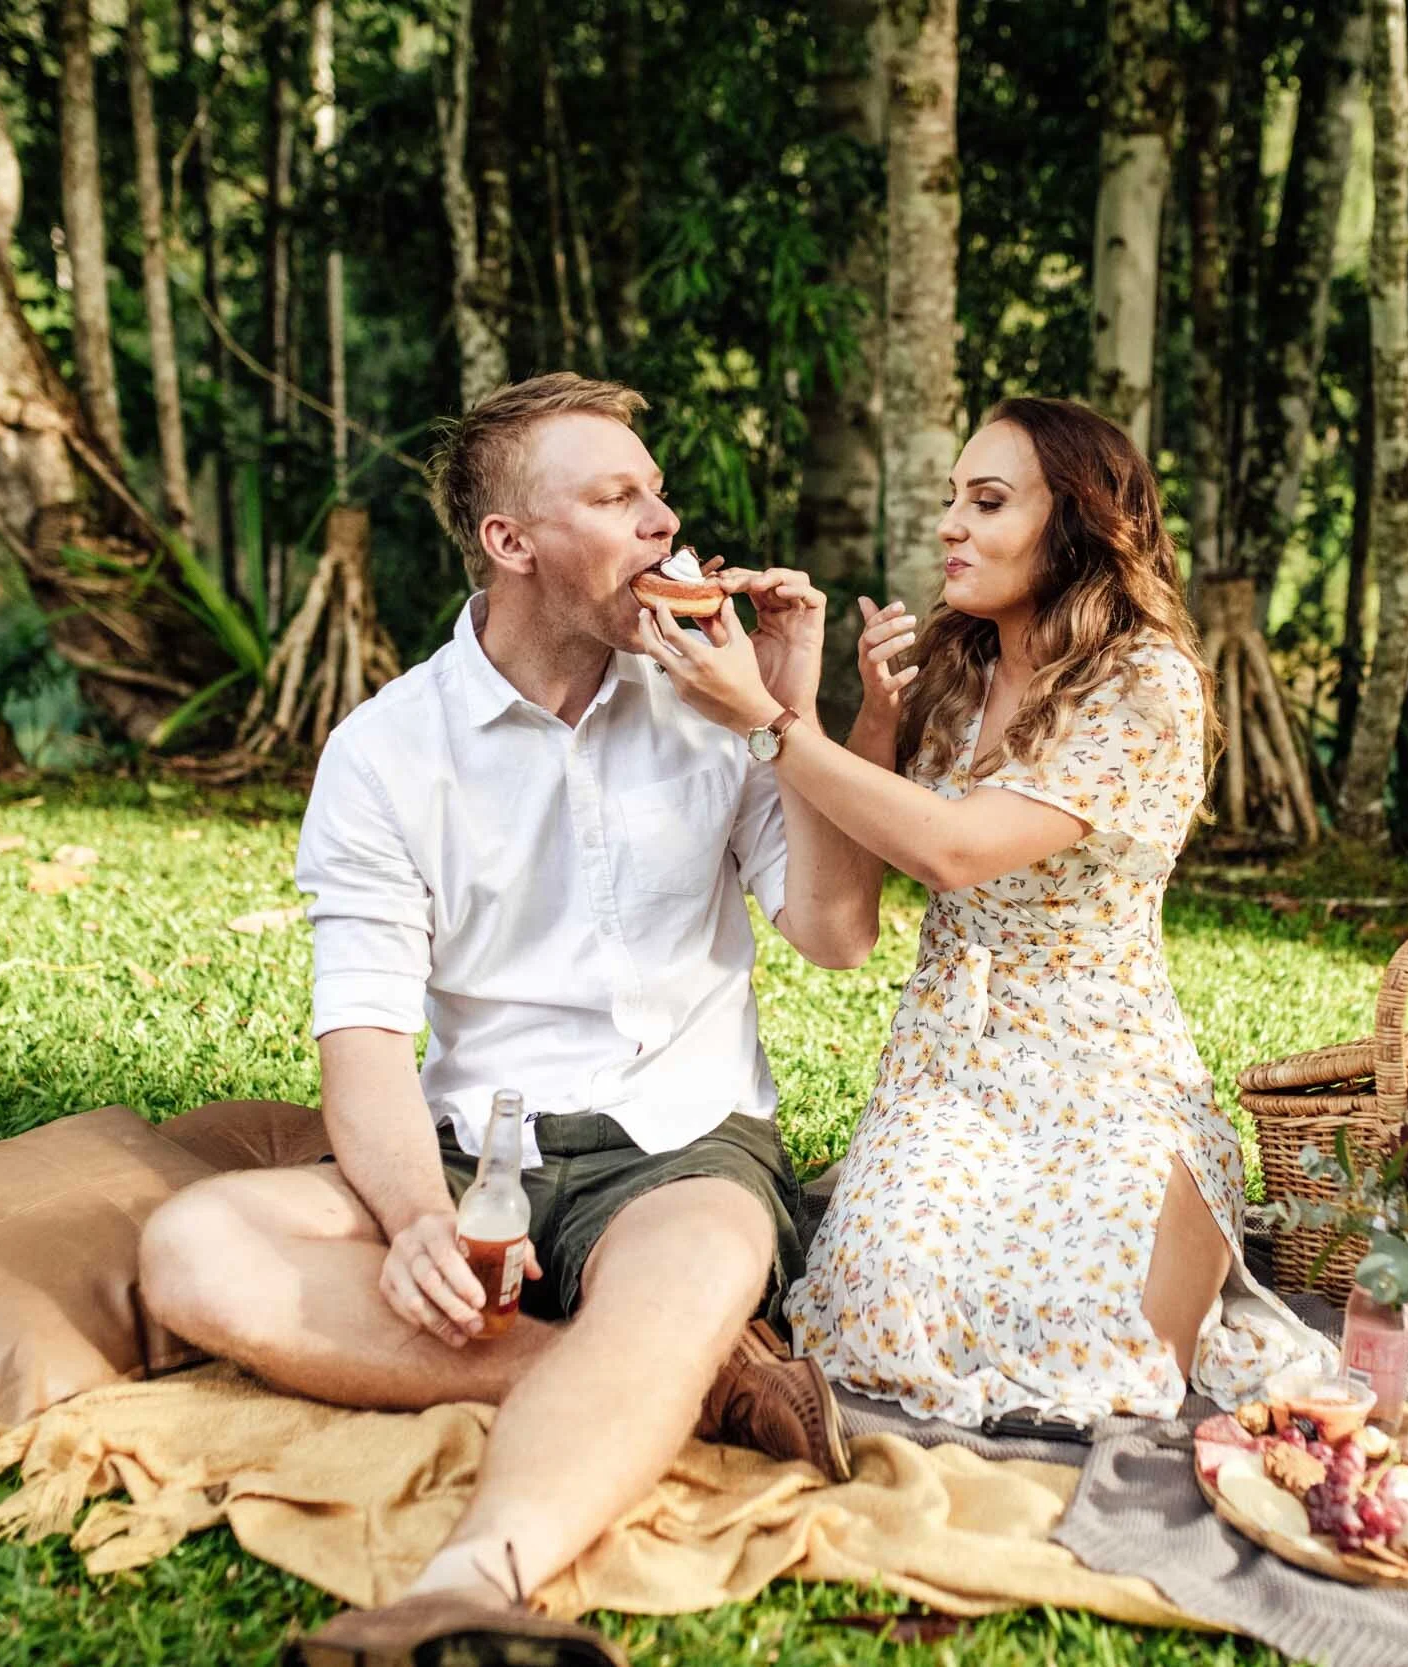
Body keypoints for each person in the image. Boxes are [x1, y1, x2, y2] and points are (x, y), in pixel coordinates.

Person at [137, 373, 886, 1667]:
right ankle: (681, 1378)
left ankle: (472, 1577)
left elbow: (837, 933)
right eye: (618, 497)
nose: (665, 522)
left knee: (697, 1262)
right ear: (511, 541)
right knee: (194, 1246)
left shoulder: (719, 708)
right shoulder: (385, 750)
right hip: (480, 1150)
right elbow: (364, 1042)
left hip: (683, 1144)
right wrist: (419, 1215)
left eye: (659, 494)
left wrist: (789, 715)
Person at [646, 396, 1326, 1431]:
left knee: (1103, 1345)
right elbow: (840, 916)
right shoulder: (955, 678)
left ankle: (1174, 1211)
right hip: (949, 1067)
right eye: (951, 499)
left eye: (988, 500)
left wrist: (762, 720)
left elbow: (955, 850)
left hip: (1105, 1069)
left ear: (1078, 521)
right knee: (876, 1309)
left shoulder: (1147, 682)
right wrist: (854, 710)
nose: (950, 525)